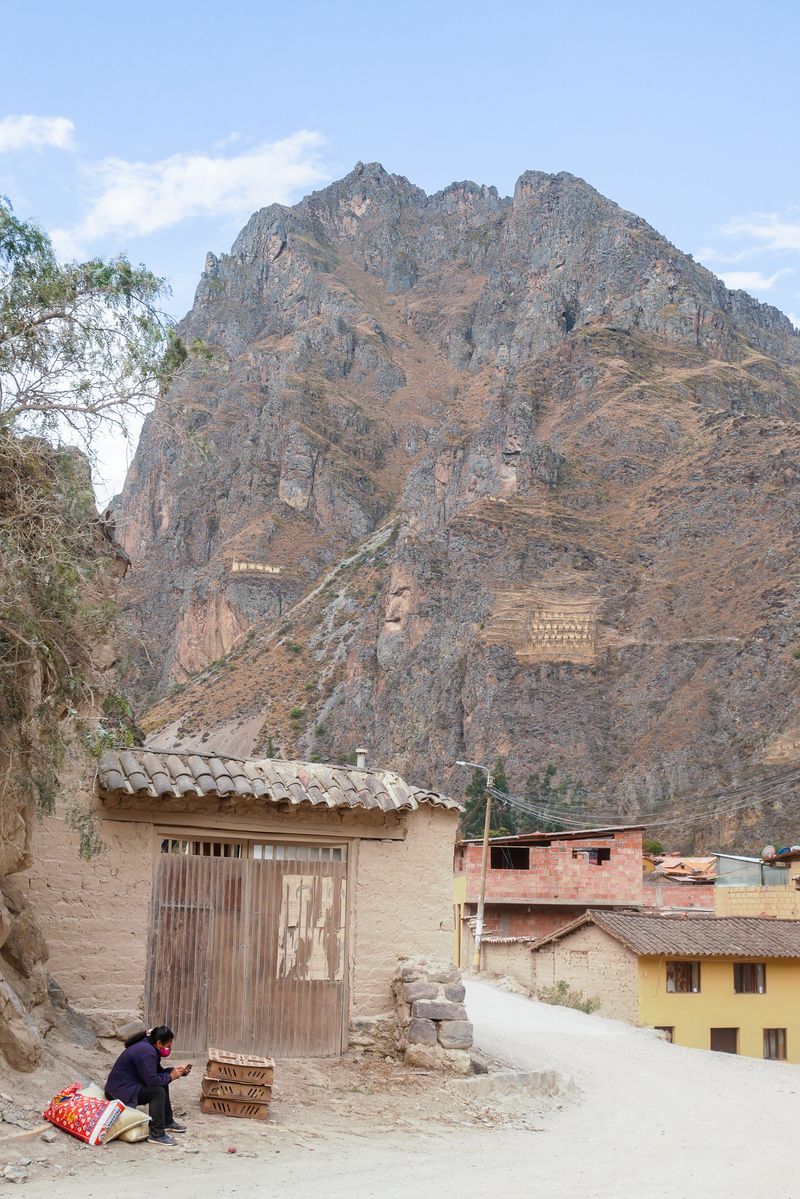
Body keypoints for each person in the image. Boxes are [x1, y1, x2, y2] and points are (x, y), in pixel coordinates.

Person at [105, 1025, 192, 1146]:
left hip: (127, 1086)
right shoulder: (147, 1052)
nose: (169, 1049)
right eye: (168, 1046)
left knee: (163, 1083)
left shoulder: (149, 1047)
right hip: (120, 1091)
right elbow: (152, 1081)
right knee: (158, 1092)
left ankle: (167, 1122)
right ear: (159, 1042)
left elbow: (157, 1073)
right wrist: (171, 1076)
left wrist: (175, 1071)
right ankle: (157, 1134)